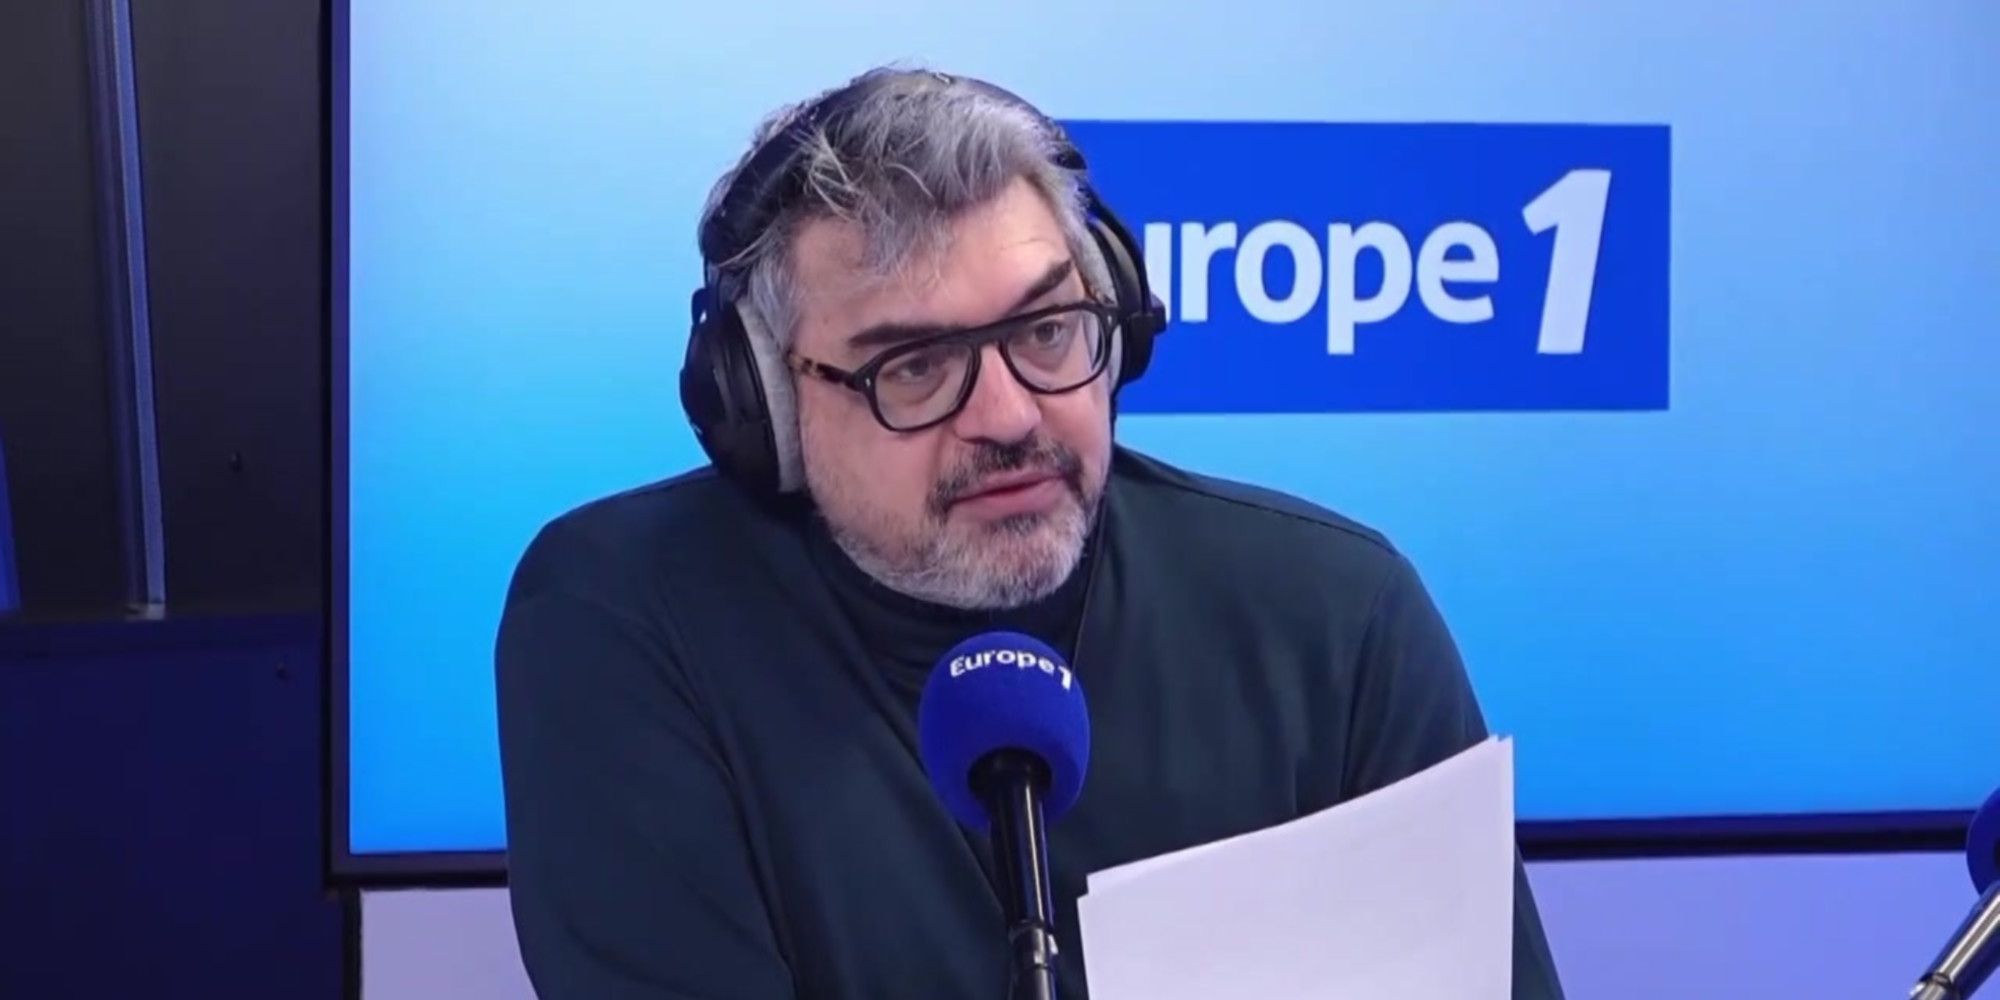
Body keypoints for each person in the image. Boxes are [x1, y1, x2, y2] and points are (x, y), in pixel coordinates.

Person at [494, 65, 1566, 999]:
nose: (1008, 416)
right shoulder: (624, 621)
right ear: (766, 402)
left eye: (1047, 329)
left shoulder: (1334, 617)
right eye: (914, 366)